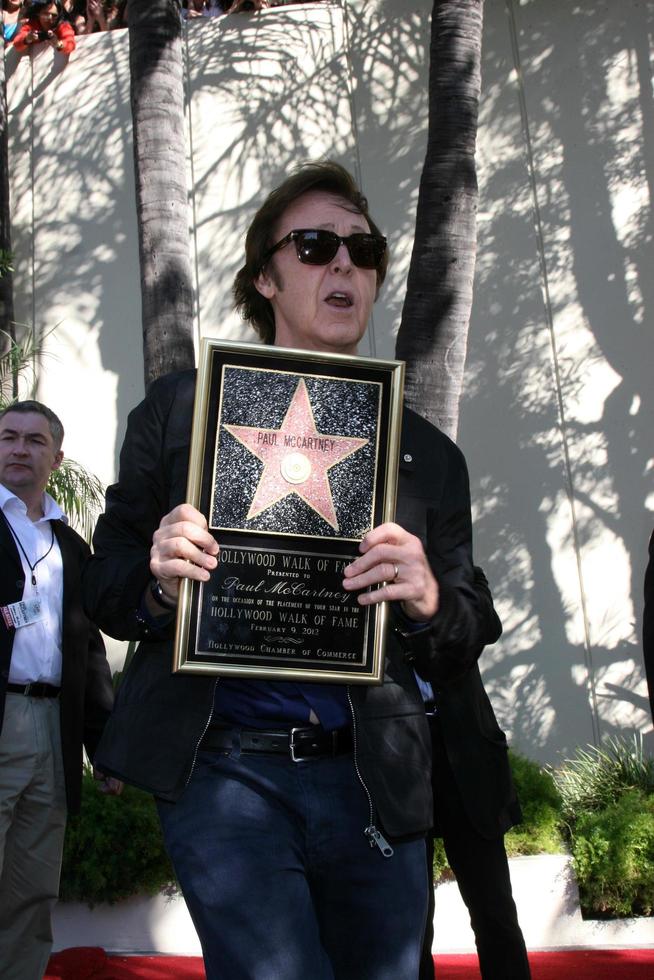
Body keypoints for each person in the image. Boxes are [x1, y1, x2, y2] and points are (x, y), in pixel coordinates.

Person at [84, 161, 487, 980]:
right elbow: (107, 580)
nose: (344, 264)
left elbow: (471, 623)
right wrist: (159, 581)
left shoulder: (428, 453)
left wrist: (430, 598)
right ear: (264, 276)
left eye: (362, 250)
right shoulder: (180, 411)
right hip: (222, 772)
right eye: (314, 245)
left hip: (374, 774)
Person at [0, 400, 116, 980]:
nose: (19, 449)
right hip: (3, 719)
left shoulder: (69, 543)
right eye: (8, 437)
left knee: (33, 888)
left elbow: (89, 652)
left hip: (54, 727)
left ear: (56, 456)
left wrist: (104, 746)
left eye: (34, 440)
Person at [420, 565, 530, 980]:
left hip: (468, 761)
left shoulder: (458, 572)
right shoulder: (368, 579)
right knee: (413, 921)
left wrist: (431, 593)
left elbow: (487, 625)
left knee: (495, 912)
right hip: (399, 760)